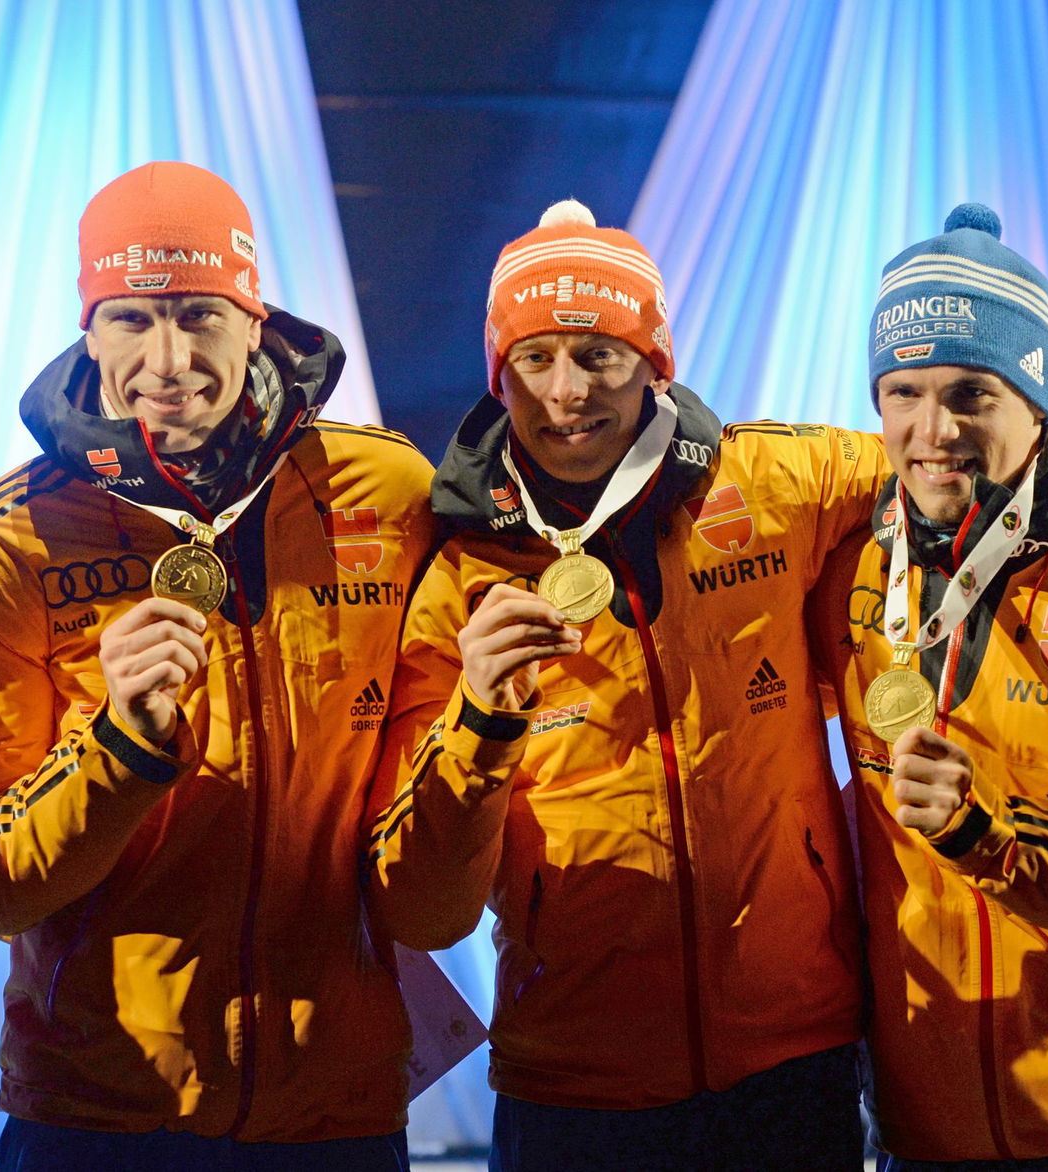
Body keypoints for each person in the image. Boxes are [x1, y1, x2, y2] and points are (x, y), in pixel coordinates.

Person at [0, 161, 436, 1171]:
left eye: (201, 313)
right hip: (100, 1110)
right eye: (131, 318)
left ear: (256, 318)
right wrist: (113, 743)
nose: (169, 357)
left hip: (335, 1106)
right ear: (88, 331)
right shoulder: (6, 541)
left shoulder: (387, 489)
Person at [364, 199, 892, 1171]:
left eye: (597, 353)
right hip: (574, 1084)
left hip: (790, 1056)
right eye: (534, 357)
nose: (565, 392)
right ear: (498, 371)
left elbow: (940, 455)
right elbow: (423, 907)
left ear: (655, 361)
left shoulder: (772, 484)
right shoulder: (457, 575)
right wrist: (479, 717)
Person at [808, 203, 1048, 1167]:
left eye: (970, 394)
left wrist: (996, 837)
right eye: (901, 393)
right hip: (912, 1135)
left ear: (1037, 394)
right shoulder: (852, 568)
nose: (929, 432)